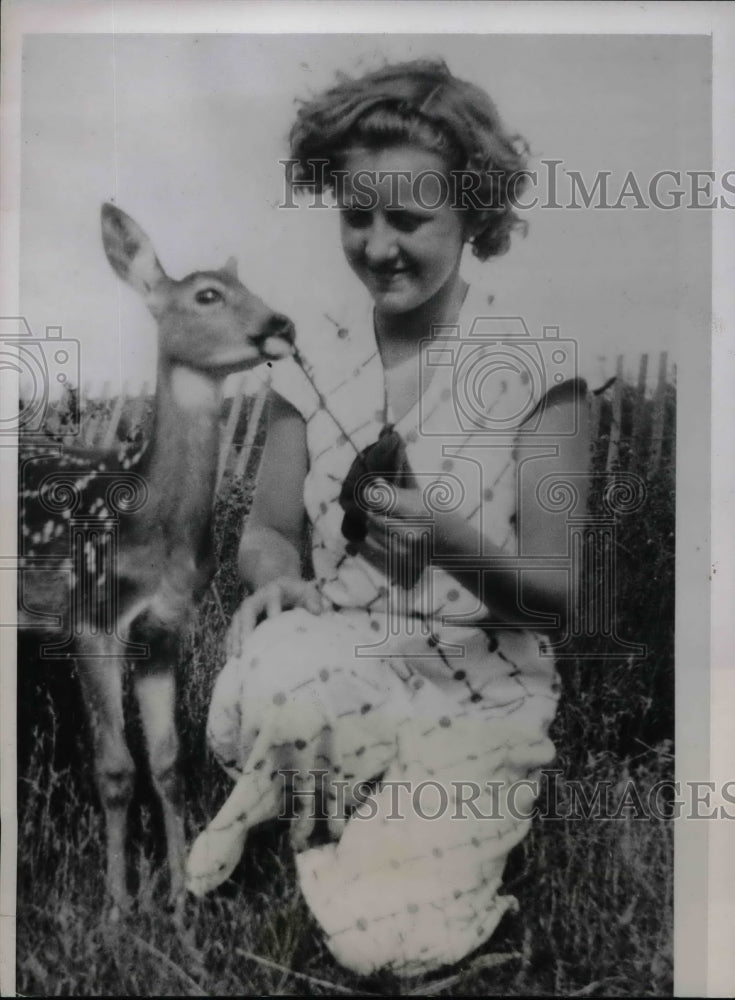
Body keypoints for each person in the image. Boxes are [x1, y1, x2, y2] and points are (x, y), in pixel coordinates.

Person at [186, 59, 591, 978]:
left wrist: (448, 541)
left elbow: (558, 601)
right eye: (355, 216)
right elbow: (267, 530)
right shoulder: (314, 349)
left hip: (476, 688)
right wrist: (274, 575)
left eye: (408, 219)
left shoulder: (537, 366)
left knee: (389, 946)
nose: (376, 247)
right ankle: (340, 800)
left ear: (472, 214)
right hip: (344, 659)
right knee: (276, 683)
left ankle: (419, 827)